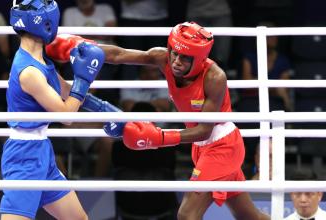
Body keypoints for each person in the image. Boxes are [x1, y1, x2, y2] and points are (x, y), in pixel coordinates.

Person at [45, 21, 270, 219]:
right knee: (248, 216)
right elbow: (120, 55)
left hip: (221, 145)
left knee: (187, 214)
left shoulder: (214, 78)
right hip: (202, 147)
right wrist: (80, 46)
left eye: (185, 57)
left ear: (200, 59)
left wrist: (160, 137)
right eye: (175, 53)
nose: (176, 61)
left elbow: (204, 130)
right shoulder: (162, 58)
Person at [1, 0, 122, 219]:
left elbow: (66, 90)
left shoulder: (40, 60)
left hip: (41, 151)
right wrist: (83, 79)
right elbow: (66, 116)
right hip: (23, 156)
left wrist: (106, 111)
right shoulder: (29, 72)